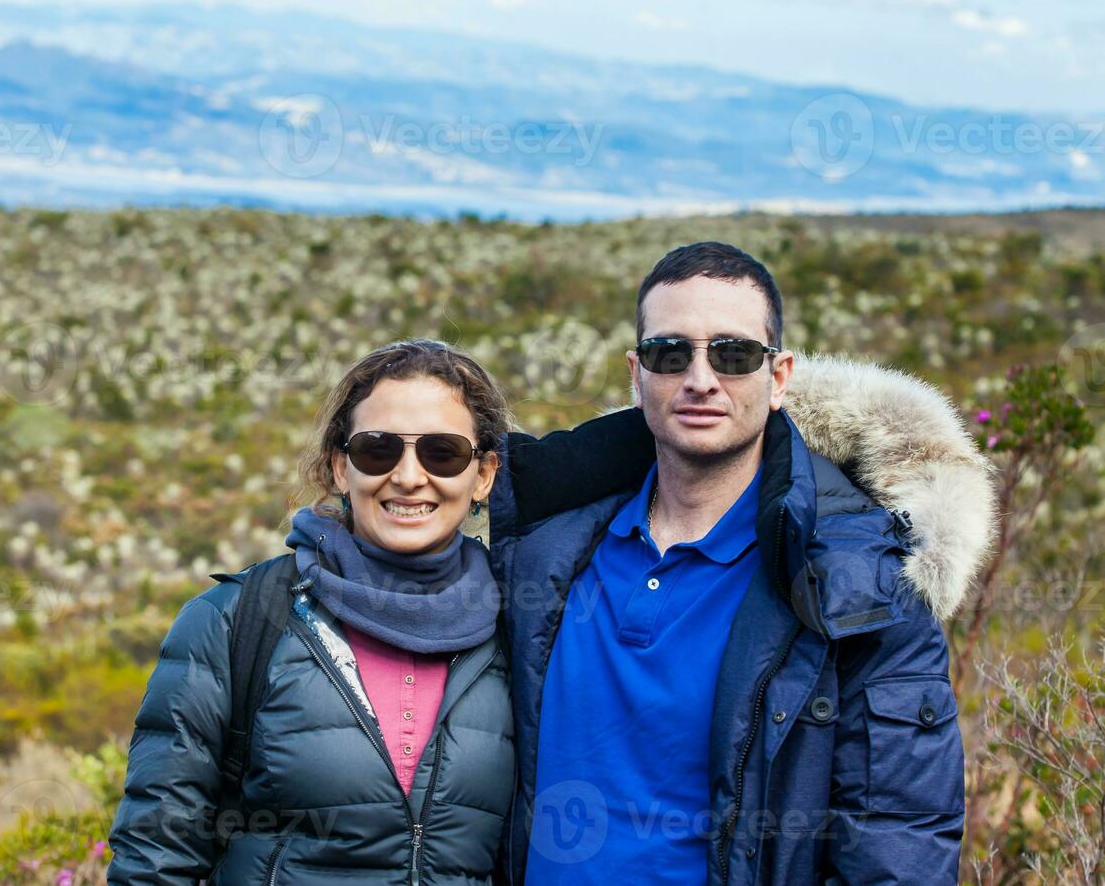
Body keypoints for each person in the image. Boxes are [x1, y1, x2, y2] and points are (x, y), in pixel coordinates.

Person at [489, 242, 992, 884]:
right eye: (670, 354)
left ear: (778, 377)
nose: (701, 379)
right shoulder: (541, 558)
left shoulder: (860, 586)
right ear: (636, 376)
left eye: (733, 355)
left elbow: (898, 843)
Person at [108, 339, 517, 885]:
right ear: (341, 469)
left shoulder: (520, 627)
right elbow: (156, 854)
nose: (409, 476)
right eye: (378, 450)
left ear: (484, 475)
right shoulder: (237, 620)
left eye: (443, 452)